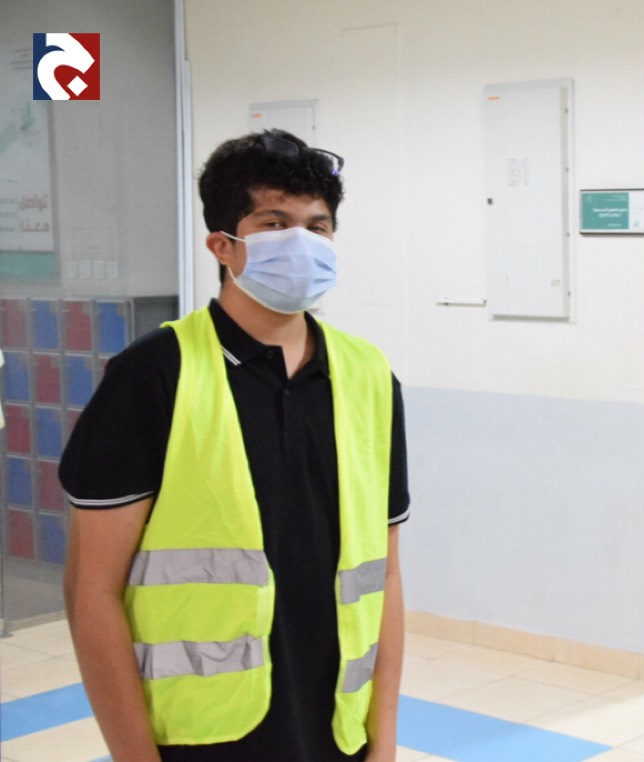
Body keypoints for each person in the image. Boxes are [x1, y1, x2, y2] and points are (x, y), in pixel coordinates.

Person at [61, 129, 408, 762]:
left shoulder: (369, 376)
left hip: (338, 730)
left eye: (318, 227)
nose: (302, 242)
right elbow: (92, 590)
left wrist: (382, 744)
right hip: (203, 739)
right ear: (223, 245)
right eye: (275, 224)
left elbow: (383, 574)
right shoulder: (153, 376)